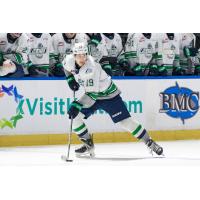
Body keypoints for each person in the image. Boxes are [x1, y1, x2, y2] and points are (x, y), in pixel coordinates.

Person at [63, 42, 164, 157]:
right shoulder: (69, 60)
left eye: (84, 55)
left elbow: (93, 94)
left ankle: (149, 142)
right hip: (92, 95)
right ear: (74, 55)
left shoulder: (91, 67)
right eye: (78, 55)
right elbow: (66, 68)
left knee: (126, 122)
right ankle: (88, 144)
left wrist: (77, 104)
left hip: (109, 95)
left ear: (87, 54)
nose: (82, 58)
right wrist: (70, 79)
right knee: (74, 118)